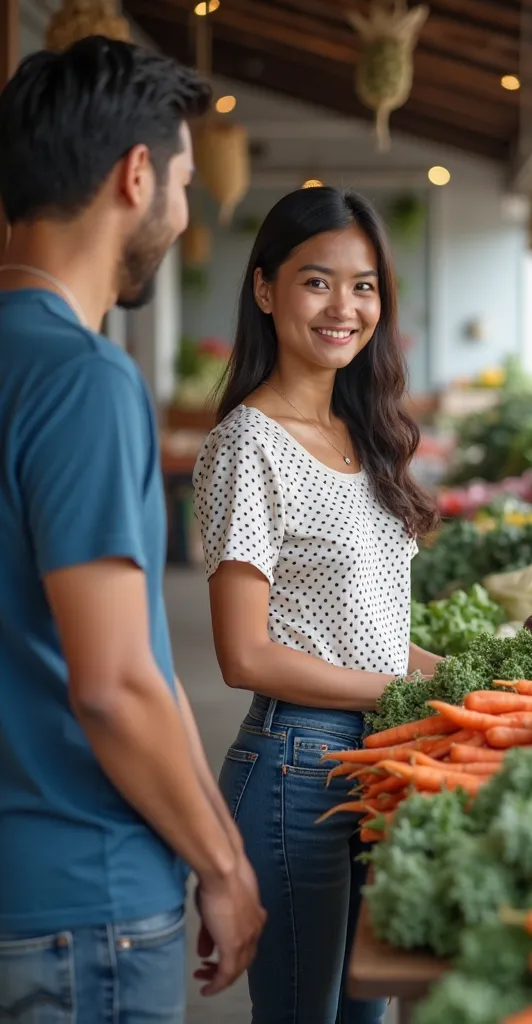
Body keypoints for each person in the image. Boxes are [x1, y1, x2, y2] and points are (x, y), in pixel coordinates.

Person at [0, 36, 265, 1022]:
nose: (186, 214)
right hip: (83, 902)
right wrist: (223, 865)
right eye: (187, 182)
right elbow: (115, 685)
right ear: (136, 174)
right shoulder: (83, 377)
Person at [193, 185, 440, 1024]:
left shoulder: (362, 435)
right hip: (299, 768)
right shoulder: (246, 444)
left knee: (367, 1010)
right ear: (265, 289)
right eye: (317, 281)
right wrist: (401, 694)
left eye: (365, 285)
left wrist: (463, 678)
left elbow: (368, 634)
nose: (346, 307)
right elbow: (244, 655)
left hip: (382, 761)